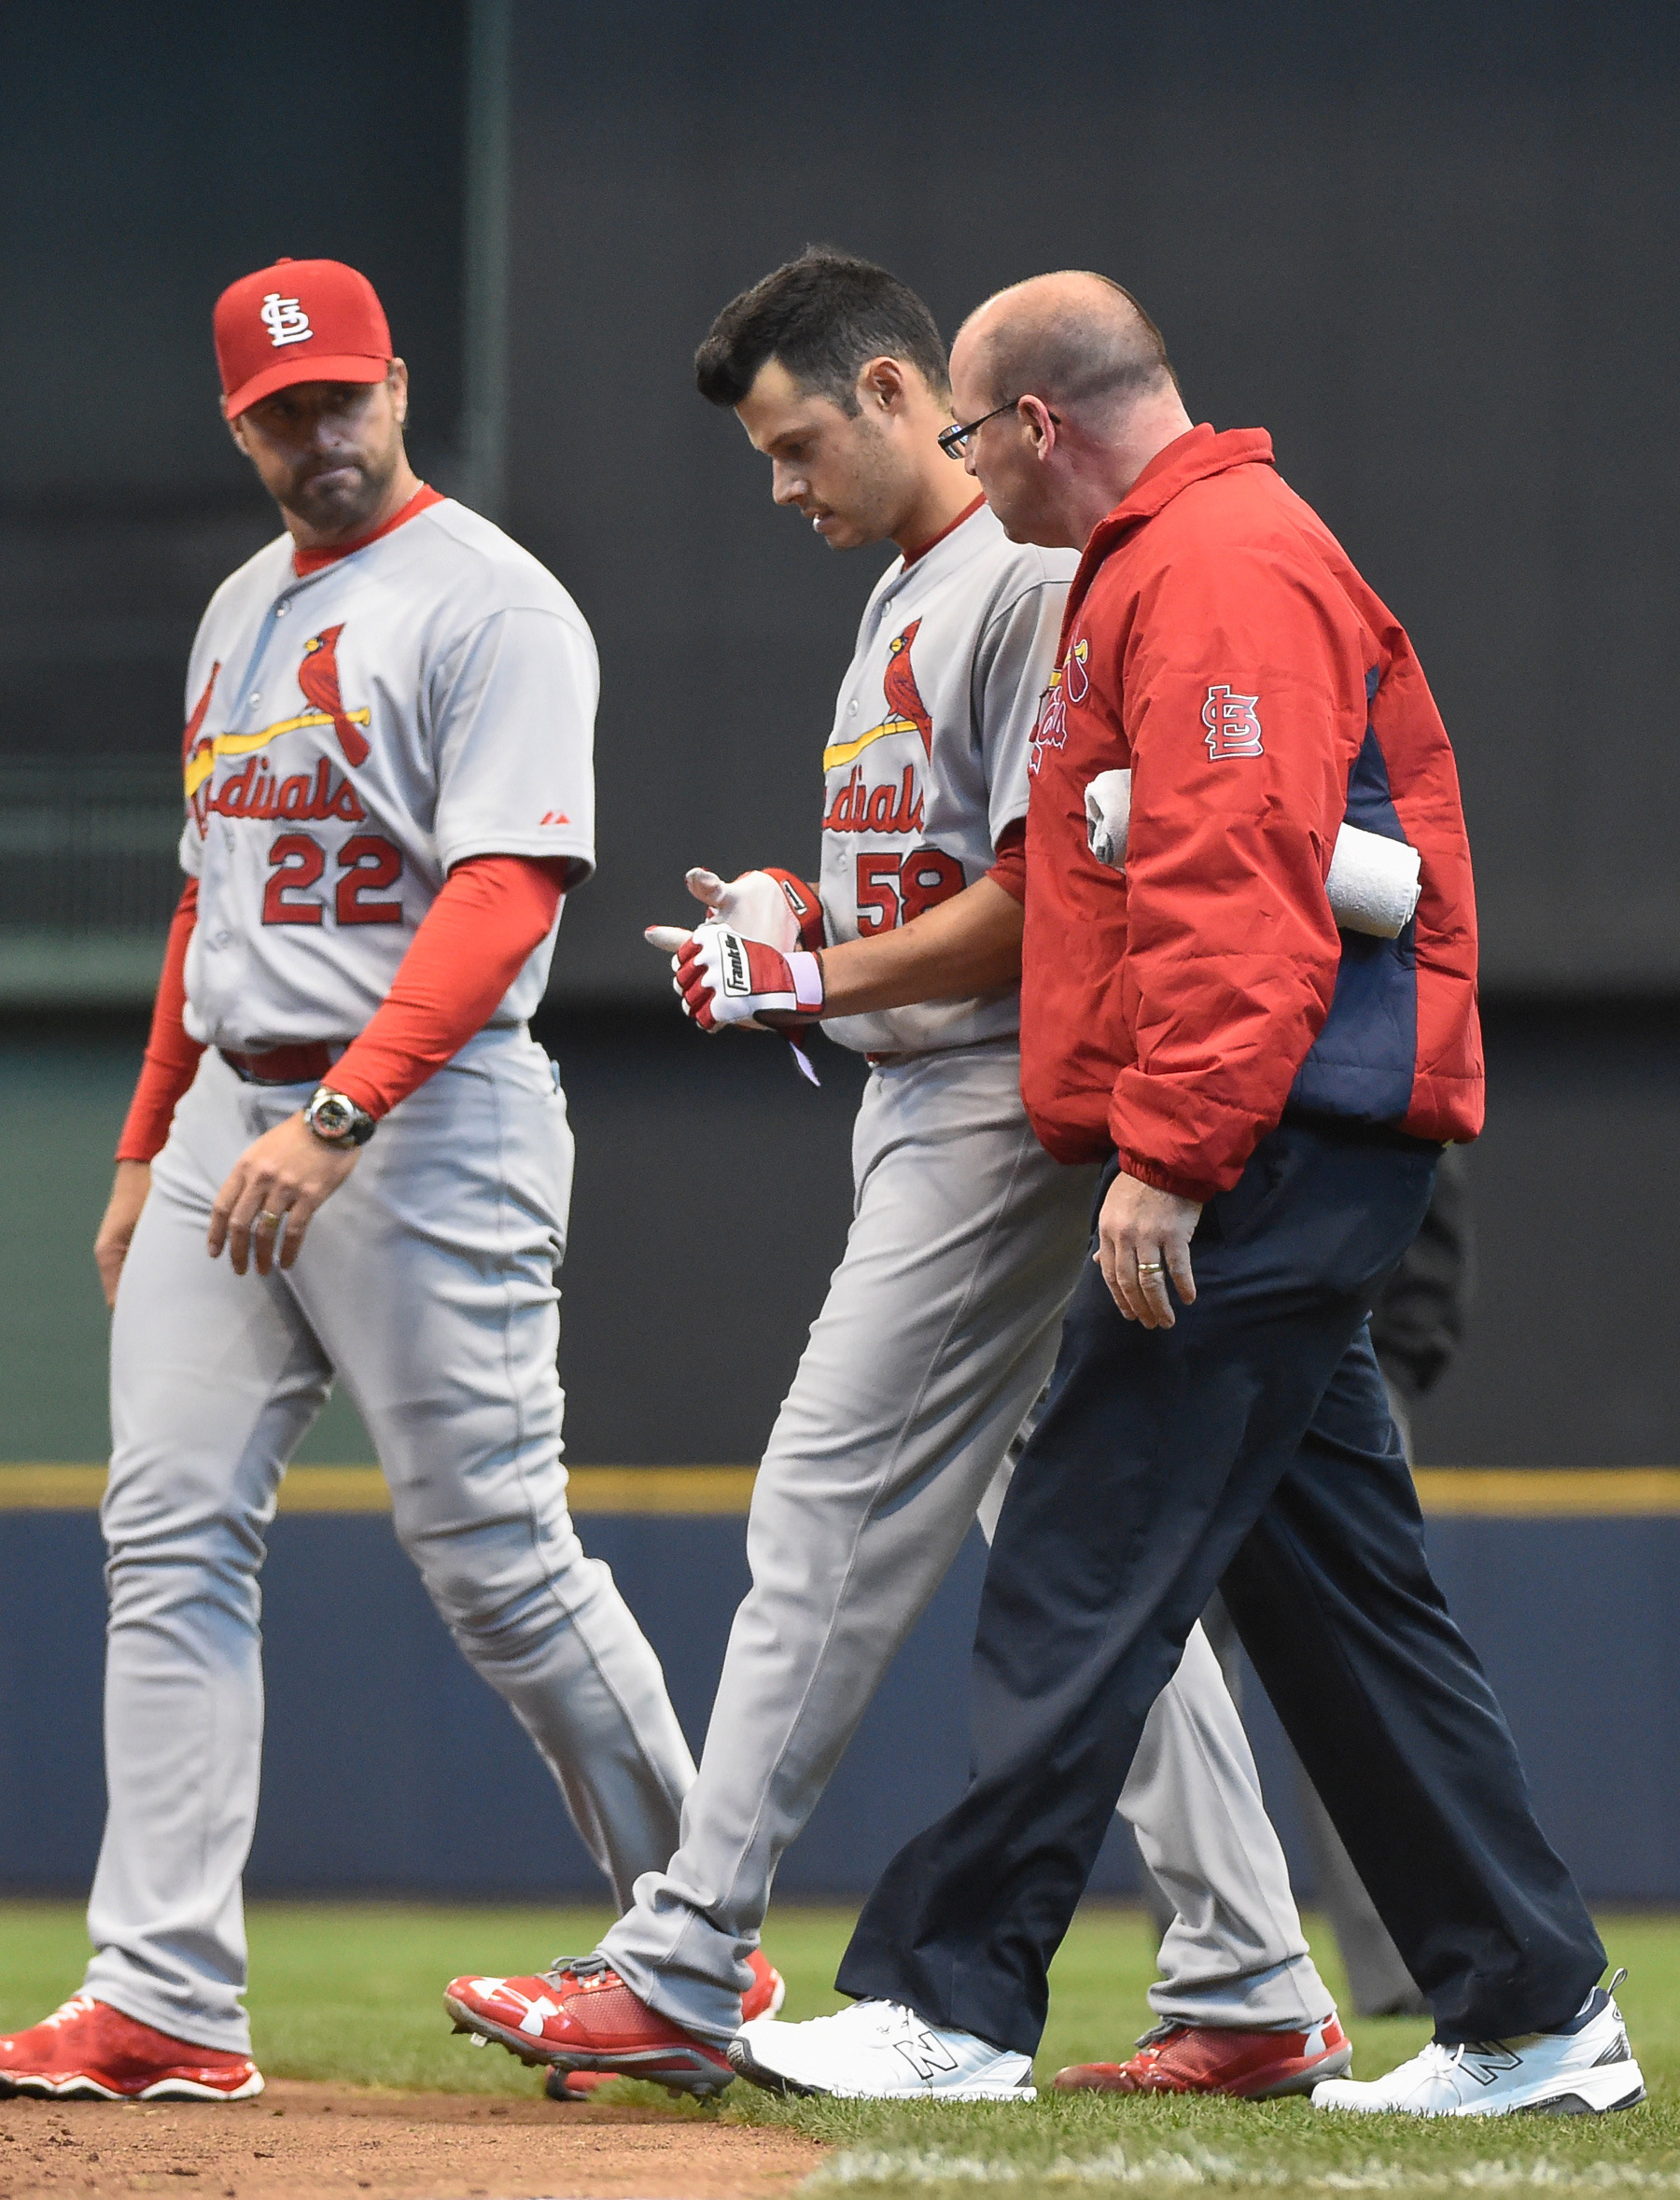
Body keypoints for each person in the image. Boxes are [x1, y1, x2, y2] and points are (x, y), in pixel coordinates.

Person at [729, 273, 1644, 2119]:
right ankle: (1536, 2012)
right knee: (1344, 1601)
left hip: (1278, 1139)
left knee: (1083, 1546)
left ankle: (954, 2003)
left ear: (1034, 423)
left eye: (975, 438)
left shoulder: (1215, 562)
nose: (974, 477)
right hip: (1304, 1124)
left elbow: (1238, 887)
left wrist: (1170, 1160)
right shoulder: (1183, 554)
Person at [444, 248, 1351, 2105]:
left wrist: (822, 972)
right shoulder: (903, 607)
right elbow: (931, 877)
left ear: (887, 390)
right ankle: (1256, 1980)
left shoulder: (1020, 588)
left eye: (796, 445)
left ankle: (688, 1957)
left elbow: (1044, 903)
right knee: (1073, 1569)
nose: (784, 490)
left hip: (995, 1126)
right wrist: (796, 910)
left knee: (821, 1508)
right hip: (926, 1110)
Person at [0, 257, 778, 2107]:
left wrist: (335, 1117)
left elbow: (507, 885)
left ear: (398, 384)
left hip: (424, 1124)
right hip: (228, 1127)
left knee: (501, 1564)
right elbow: (211, 901)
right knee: (168, 1536)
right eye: (281, 409)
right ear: (237, 423)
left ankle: (697, 1949)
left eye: (343, 394)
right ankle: (164, 1996)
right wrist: (140, 1147)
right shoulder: (237, 613)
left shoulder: (493, 607)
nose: (319, 429)